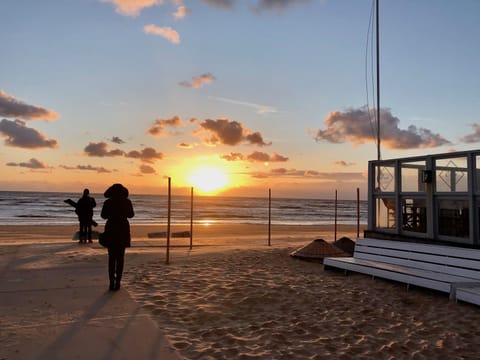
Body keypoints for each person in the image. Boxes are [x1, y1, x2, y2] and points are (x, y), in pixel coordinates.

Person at [100, 183, 134, 291]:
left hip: (111, 228)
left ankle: (111, 282)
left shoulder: (108, 202)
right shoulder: (127, 202)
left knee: (111, 257)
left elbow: (103, 216)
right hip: (123, 229)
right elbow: (131, 215)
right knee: (120, 257)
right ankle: (118, 282)